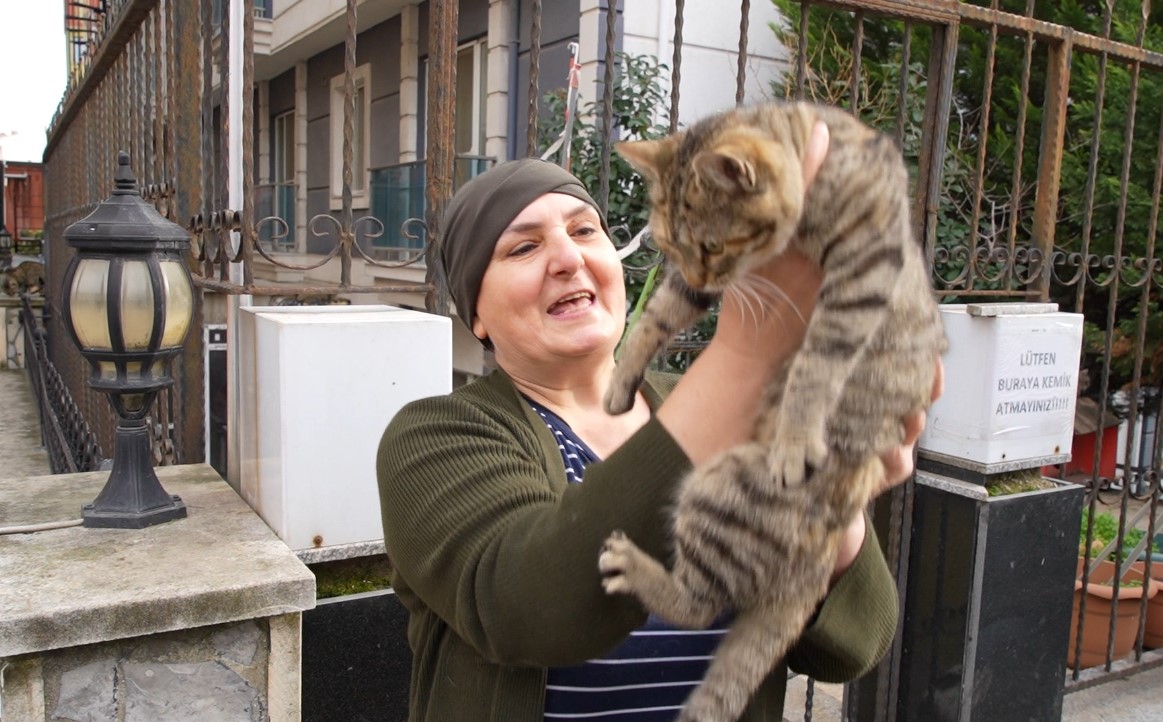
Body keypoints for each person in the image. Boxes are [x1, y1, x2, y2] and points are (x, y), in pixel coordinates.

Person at [376, 122, 943, 722]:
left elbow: (853, 647)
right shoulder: (434, 438)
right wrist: (747, 359)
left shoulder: (706, 405)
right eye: (523, 247)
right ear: (477, 316)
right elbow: (528, 608)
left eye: (584, 230)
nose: (569, 258)